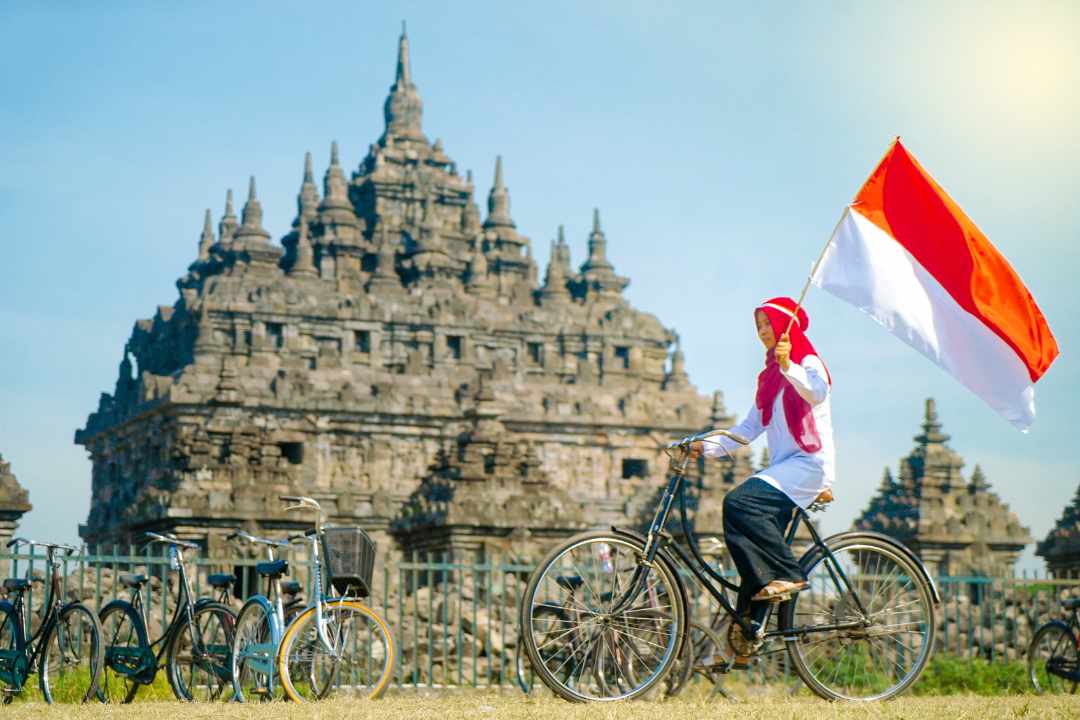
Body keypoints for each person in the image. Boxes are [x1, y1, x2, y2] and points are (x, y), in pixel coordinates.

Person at [691, 296, 835, 641]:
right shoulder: (769, 378)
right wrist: (700, 446)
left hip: (809, 464)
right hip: (784, 468)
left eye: (768, 323)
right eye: (758, 326)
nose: (762, 332)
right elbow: (746, 431)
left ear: (786, 327)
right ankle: (751, 629)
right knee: (744, 534)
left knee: (739, 502)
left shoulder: (808, 362)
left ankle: (790, 572)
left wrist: (789, 365)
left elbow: (817, 392)